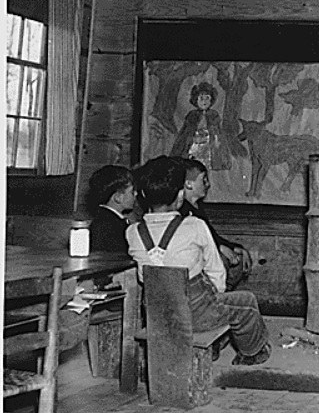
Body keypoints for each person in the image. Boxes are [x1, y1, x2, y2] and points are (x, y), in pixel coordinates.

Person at [126, 156, 271, 366]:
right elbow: (217, 273)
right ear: (180, 195)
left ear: (144, 195)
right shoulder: (194, 226)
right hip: (196, 312)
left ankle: (212, 344)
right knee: (246, 303)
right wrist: (216, 297)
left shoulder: (132, 232)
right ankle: (252, 353)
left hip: (156, 315)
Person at [175, 157, 251, 291]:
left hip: (207, 254)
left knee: (238, 259)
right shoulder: (181, 210)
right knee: (221, 261)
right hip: (193, 262)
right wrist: (220, 248)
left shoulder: (197, 207)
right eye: (203, 180)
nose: (208, 184)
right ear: (189, 184)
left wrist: (234, 248)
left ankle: (221, 293)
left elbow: (212, 235)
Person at [170, 81, 232, 170]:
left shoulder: (213, 115)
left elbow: (217, 132)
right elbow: (186, 133)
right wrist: (193, 138)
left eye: (207, 98)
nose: (204, 101)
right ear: (196, 100)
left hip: (208, 145)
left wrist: (214, 140)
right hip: (195, 144)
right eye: (201, 98)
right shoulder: (192, 115)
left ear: (211, 100)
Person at [87, 165, 137, 254]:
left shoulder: (102, 218)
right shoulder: (113, 226)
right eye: (132, 192)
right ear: (118, 197)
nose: (136, 194)